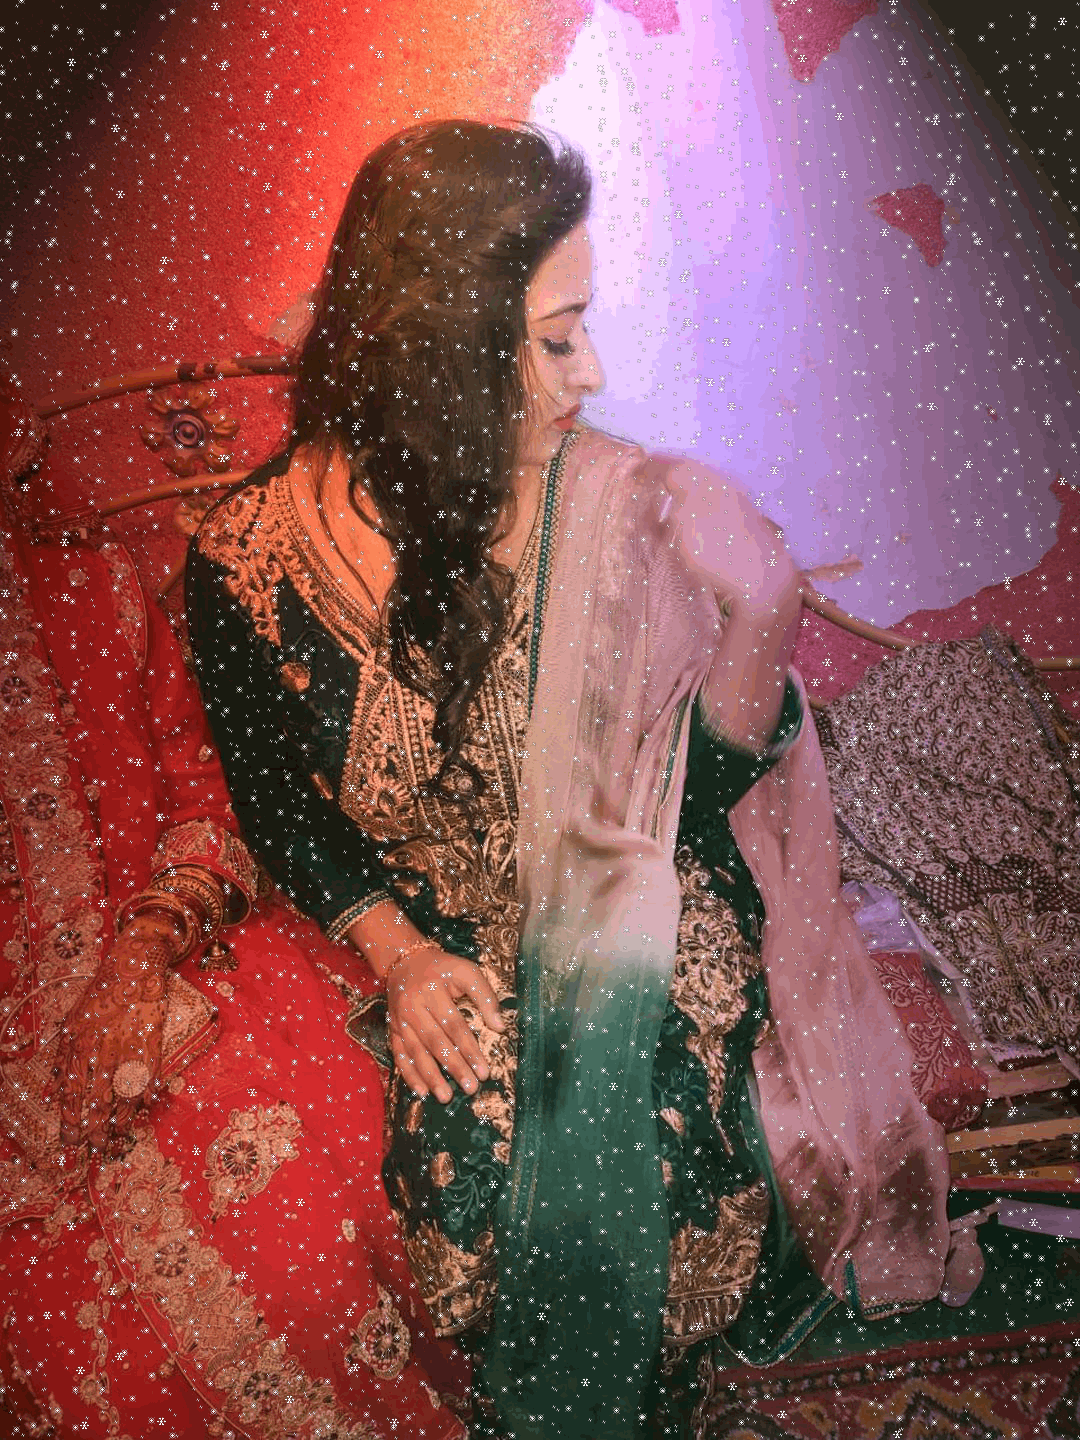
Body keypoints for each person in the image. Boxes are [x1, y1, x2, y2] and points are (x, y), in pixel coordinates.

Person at [186, 120, 950, 1440]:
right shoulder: (248, 558)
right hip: (437, 933)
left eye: (582, 329)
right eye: (554, 339)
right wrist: (398, 954)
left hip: (631, 901)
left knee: (621, 1153)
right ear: (435, 340)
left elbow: (692, 805)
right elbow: (274, 803)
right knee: (478, 1160)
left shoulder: (606, 511)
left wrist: (761, 621)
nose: (590, 375)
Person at [0, 371, 470, 1439]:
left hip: (178, 953)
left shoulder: (94, 592)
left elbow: (211, 797)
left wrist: (140, 955)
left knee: (307, 1228)